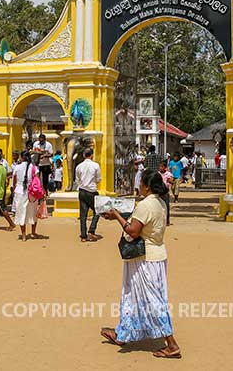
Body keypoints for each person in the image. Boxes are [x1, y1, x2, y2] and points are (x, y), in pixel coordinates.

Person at [100, 168, 180, 359]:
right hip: (157, 255)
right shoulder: (160, 203)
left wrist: (117, 216)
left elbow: (134, 231)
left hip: (145, 258)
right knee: (134, 296)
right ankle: (124, 332)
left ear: (146, 186)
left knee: (152, 301)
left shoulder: (145, 205)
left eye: (140, 183)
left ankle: (172, 344)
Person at [12, 150, 46, 241]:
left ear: (22, 157)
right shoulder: (34, 167)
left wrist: (13, 190)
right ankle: (33, 232)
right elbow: (38, 180)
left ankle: (23, 235)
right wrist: (43, 190)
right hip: (32, 193)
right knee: (33, 212)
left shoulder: (17, 167)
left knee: (21, 213)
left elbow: (14, 181)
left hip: (19, 192)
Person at [75, 147, 102, 242]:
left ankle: (83, 236)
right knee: (98, 210)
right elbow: (99, 179)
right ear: (92, 155)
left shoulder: (79, 166)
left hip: (82, 191)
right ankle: (92, 229)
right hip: (92, 191)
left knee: (83, 214)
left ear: (83, 155)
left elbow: (77, 179)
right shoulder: (96, 166)